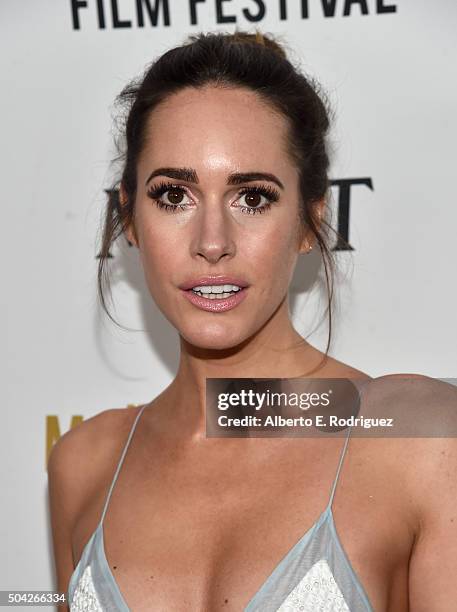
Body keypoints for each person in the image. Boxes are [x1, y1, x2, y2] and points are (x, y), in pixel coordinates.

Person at [47, 29, 457, 611]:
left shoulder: (421, 442)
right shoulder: (82, 464)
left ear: (311, 223)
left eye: (253, 198)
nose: (212, 242)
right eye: (173, 196)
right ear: (129, 217)